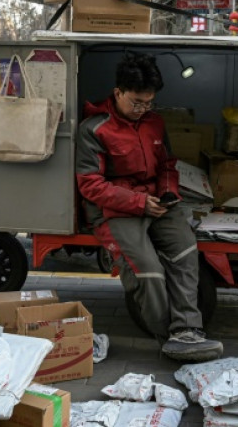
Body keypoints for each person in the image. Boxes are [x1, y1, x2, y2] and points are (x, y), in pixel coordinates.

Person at [75, 52, 223, 362]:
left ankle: (188, 331)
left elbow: (167, 165)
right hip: (114, 210)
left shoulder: (154, 123)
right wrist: (140, 203)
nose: (143, 110)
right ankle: (167, 336)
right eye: (137, 103)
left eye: (149, 103)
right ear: (118, 93)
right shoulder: (94, 128)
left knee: (185, 251)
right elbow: (90, 185)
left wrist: (167, 192)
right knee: (148, 272)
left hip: (157, 203)